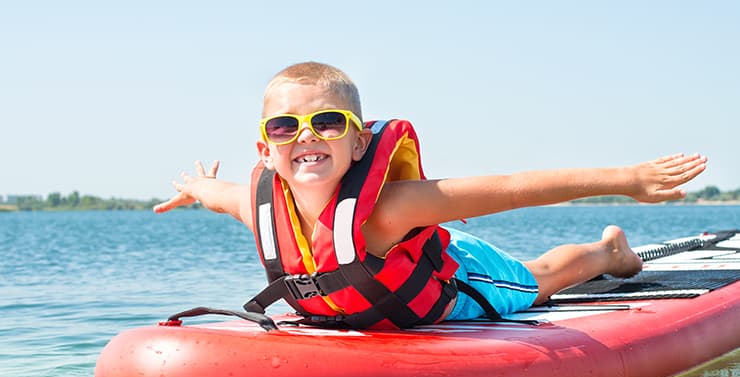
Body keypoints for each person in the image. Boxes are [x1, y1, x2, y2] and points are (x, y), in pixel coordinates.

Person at [154, 61, 707, 329]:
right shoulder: (262, 207)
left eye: (327, 122)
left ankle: (610, 251)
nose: (305, 137)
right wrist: (192, 187)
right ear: (265, 147)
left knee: (538, 280)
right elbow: (214, 192)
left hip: (454, 279)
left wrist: (627, 179)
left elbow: (514, 189)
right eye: (285, 128)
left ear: (359, 140)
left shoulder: (391, 210)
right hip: (381, 284)